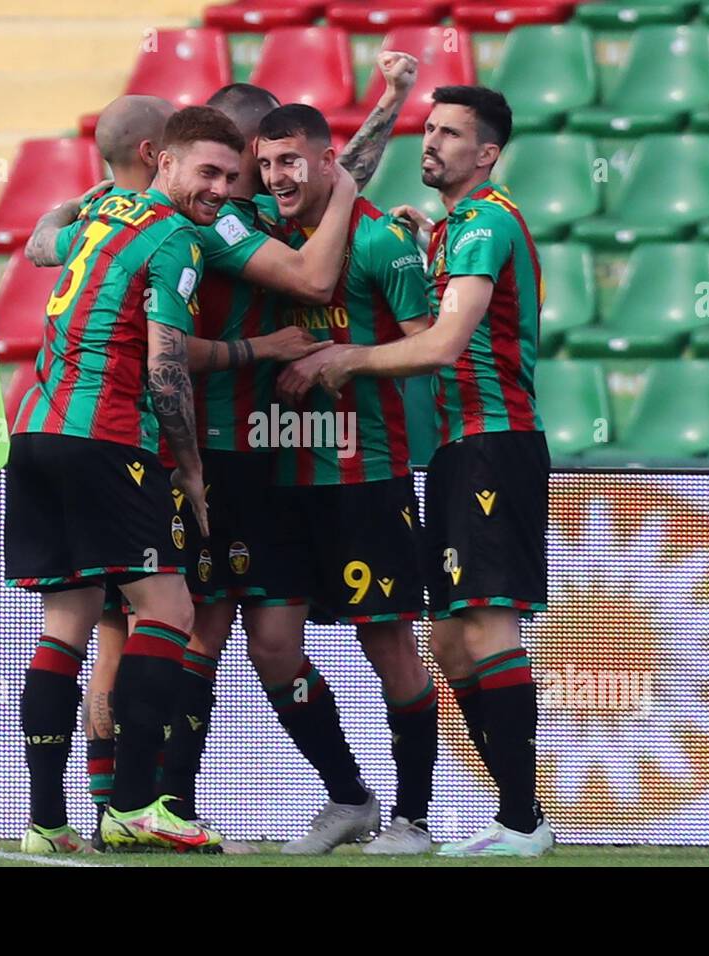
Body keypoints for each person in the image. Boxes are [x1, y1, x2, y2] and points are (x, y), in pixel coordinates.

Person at [286, 85, 556, 857]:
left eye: (450, 133)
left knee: (487, 624)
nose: (430, 143)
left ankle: (522, 820)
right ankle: (515, 813)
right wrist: (424, 234)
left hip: (491, 443)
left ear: (488, 153)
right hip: (454, 450)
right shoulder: (454, 229)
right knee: (447, 644)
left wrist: (350, 358)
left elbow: (442, 345)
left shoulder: (486, 222)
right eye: (429, 129)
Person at [5, 105, 246, 853]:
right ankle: (137, 802)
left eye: (230, 178)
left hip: (36, 432)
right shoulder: (175, 239)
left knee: (65, 625)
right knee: (168, 610)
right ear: (163, 162)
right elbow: (167, 363)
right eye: (207, 171)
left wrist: (70, 200)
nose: (219, 189)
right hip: (107, 441)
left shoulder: (104, 211)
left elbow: (44, 242)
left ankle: (46, 823)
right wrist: (193, 469)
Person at [257, 103, 440, 855]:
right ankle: (348, 797)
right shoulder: (259, 239)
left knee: (386, 644)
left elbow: (431, 344)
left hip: (365, 475)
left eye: (290, 161)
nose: (277, 178)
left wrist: (345, 359)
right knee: (271, 644)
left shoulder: (381, 240)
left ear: (330, 161)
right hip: (277, 475)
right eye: (266, 165)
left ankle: (414, 818)